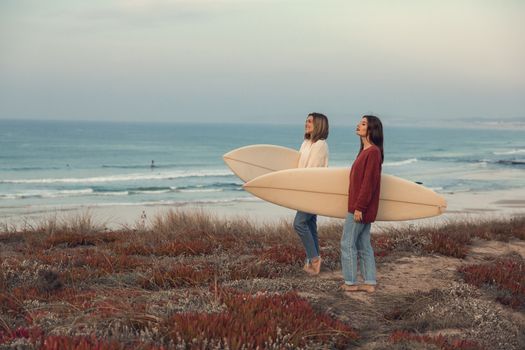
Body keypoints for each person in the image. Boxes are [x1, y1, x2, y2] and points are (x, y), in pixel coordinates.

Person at [340, 115, 383, 293]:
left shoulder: (372, 152)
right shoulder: (366, 151)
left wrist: (359, 208)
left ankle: (350, 282)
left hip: (359, 208)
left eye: (363, 124)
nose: (358, 125)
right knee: (363, 244)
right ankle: (370, 282)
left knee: (347, 243)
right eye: (360, 123)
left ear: (371, 129)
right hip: (362, 207)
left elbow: (368, 183)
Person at [293, 113, 329, 275]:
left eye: (310, 121)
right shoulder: (306, 143)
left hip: (312, 190)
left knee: (299, 224)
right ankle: (314, 261)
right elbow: (299, 166)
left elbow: (311, 171)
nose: (306, 123)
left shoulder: (320, 145)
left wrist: (301, 188)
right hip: (303, 189)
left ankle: (314, 259)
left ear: (319, 125)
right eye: (306, 120)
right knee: (310, 224)